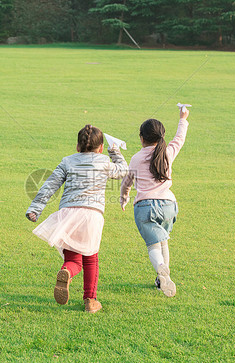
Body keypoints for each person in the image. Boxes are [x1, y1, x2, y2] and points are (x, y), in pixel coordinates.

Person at [26, 124, 128, 313]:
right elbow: (123, 170)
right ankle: (90, 300)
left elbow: (50, 185)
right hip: (92, 215)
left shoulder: (67, 161)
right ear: (100, 148)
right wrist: (115, 151)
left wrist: (35, 208)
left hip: (68, 215)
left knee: (74, 258)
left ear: (77, 147)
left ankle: (67, 271)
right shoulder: (104, 161)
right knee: (91, 258)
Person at [120, 108, 189, 297]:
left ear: (141, 138)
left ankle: (160, 267)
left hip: (145, 208)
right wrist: (183, 118)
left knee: (153, 246)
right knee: (163, 240)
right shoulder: (167, 153)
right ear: (161, 137)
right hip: (168, 206)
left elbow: (127, 182)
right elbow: (179, 139)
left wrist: (124, 197)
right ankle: (162, 281)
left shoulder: (136, 158)